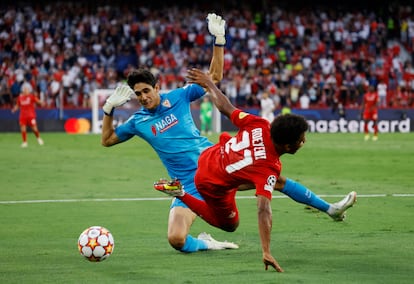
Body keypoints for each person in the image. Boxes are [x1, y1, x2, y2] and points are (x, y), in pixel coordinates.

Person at [155, 68, 357, 272]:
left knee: (275, 180)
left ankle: (331, 209)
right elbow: (263, 209)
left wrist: (210, 83)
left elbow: (226, 107)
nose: (303, 142)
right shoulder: (268, 167)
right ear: (288, 147)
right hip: (209, 182)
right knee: (230, 225)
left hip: (212, 154)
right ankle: (181, 193)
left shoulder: (261, 124)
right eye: (301, 140)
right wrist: (266, 250)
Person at [101, 13, 238, 253]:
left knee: (267, 178)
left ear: (157, 87)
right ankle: (209, 244)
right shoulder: (137, 122)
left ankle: (324, 207)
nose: (143, 98)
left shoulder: (179, 96)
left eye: (146, 91)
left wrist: (219, 40)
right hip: (186, 184)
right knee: (177, 240)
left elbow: (214, 78)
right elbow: (108, 140)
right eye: (138, 94)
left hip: (214, 167)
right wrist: (108, 109)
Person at [11, 82, 44, 148]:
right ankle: (25, 142)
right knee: (23, 129)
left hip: (31, 115)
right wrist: (14, 109)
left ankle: (38, 138)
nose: (26, 91)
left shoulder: (31, 97)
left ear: (29, 90)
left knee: (34, 128)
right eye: (25, 89)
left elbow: (38, 101)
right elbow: (18, 105)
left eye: (27, 89)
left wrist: (41, 102)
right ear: (23, 90)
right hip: (23, 115)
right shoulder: (20, 98)